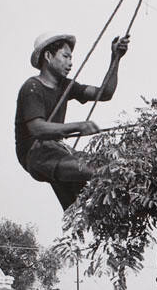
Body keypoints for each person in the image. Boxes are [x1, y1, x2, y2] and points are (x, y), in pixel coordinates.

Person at [15, 31, 130, 210]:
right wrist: (78, 126)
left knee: (102, 179)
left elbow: (105, 93)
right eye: (65, 56)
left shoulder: (66, 86)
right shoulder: (32, 88)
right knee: (98, 170)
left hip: (57, 152)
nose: (70, 63)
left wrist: (116, 58)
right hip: (36, 155)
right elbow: (37, 128)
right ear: (48, 56)